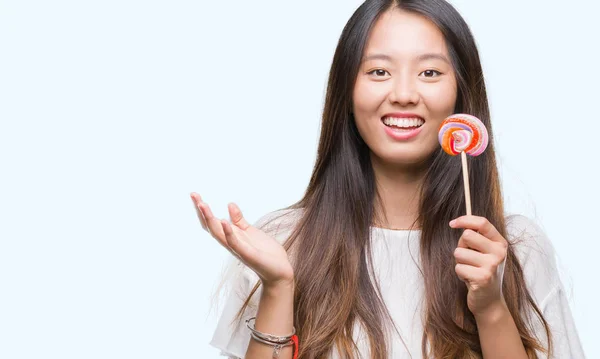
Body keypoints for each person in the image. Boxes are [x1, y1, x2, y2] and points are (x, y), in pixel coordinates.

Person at [191, 0, 586, 358]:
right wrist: (278, 286)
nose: (403, 93)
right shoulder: (281, 242)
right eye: (379, 71)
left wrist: (491, 307)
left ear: (460, 96)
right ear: (347, 90)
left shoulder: (514, 250)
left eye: (429, 72)